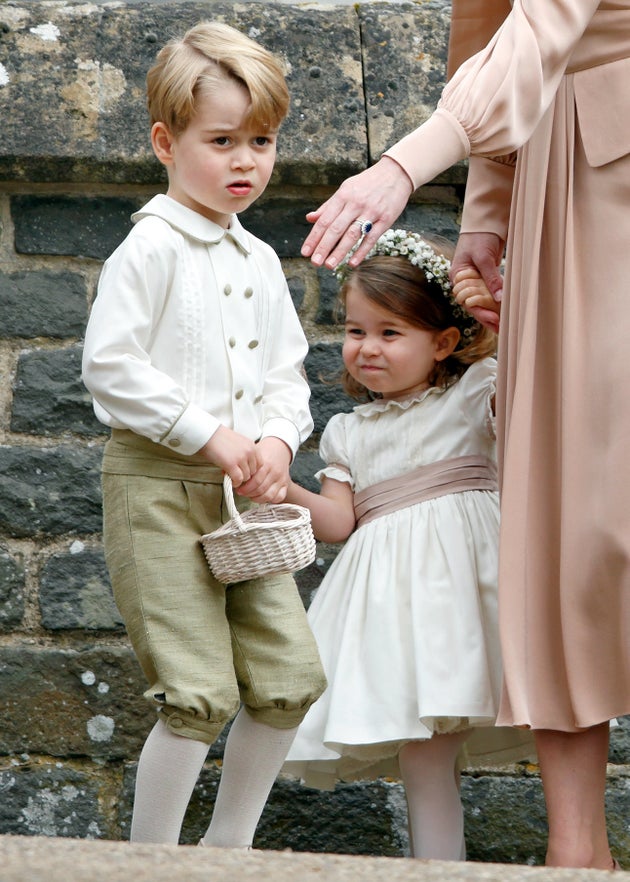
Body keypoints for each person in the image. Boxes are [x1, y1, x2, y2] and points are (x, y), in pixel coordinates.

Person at [297, 0, 630, 869]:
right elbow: (491, 29)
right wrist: (488, 209)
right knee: (566, 518)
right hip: (567, 181)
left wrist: (401, 167)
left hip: (611, 184)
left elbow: (542, 30)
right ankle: (577, 850)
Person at [81, 21, 327, 847]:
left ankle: (229, 854)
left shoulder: (258, 260)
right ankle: (149, 860)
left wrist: (278, 444)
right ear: (166, 141)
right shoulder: (148, 248)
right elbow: (110, 367)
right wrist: (214, 436)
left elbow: (287, 374)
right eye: (221, 140)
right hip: (156, 488)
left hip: (244, 501)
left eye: (261, 140)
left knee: (289, 679)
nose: (246, 161)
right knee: (196, 692)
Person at [281, 230, 530, 860]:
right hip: (392, 608)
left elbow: (531, 397)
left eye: (390, 333)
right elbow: (338, 522)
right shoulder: (348, 433)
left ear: (443, 341)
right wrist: (278, 489)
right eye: (357, 330)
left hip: (467, 592)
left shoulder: (477, 394)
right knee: (424, 754)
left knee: (438, 747)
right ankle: (437, 868)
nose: (367, 347)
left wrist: (502, 306)